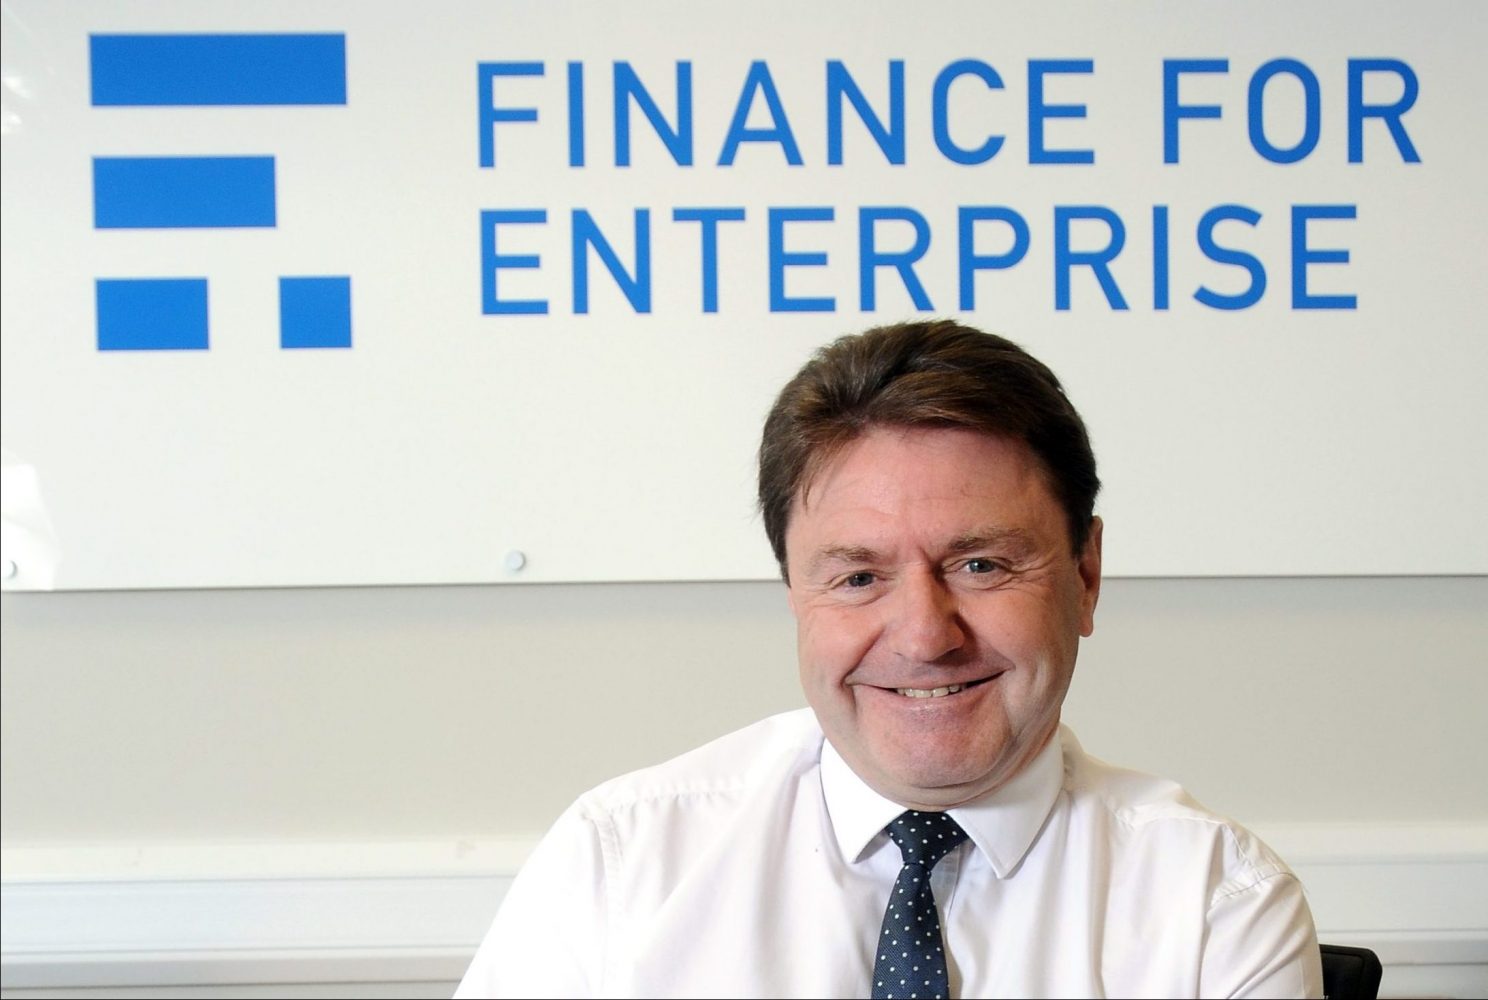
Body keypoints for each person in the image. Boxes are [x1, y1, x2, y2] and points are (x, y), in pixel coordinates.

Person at [454, 320, 1322, 999]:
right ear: (795, 592)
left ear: (1085, 576)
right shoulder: (622, 862)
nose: (923, 635)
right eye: (859, 575)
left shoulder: (1215, 903)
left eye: (980, 564)